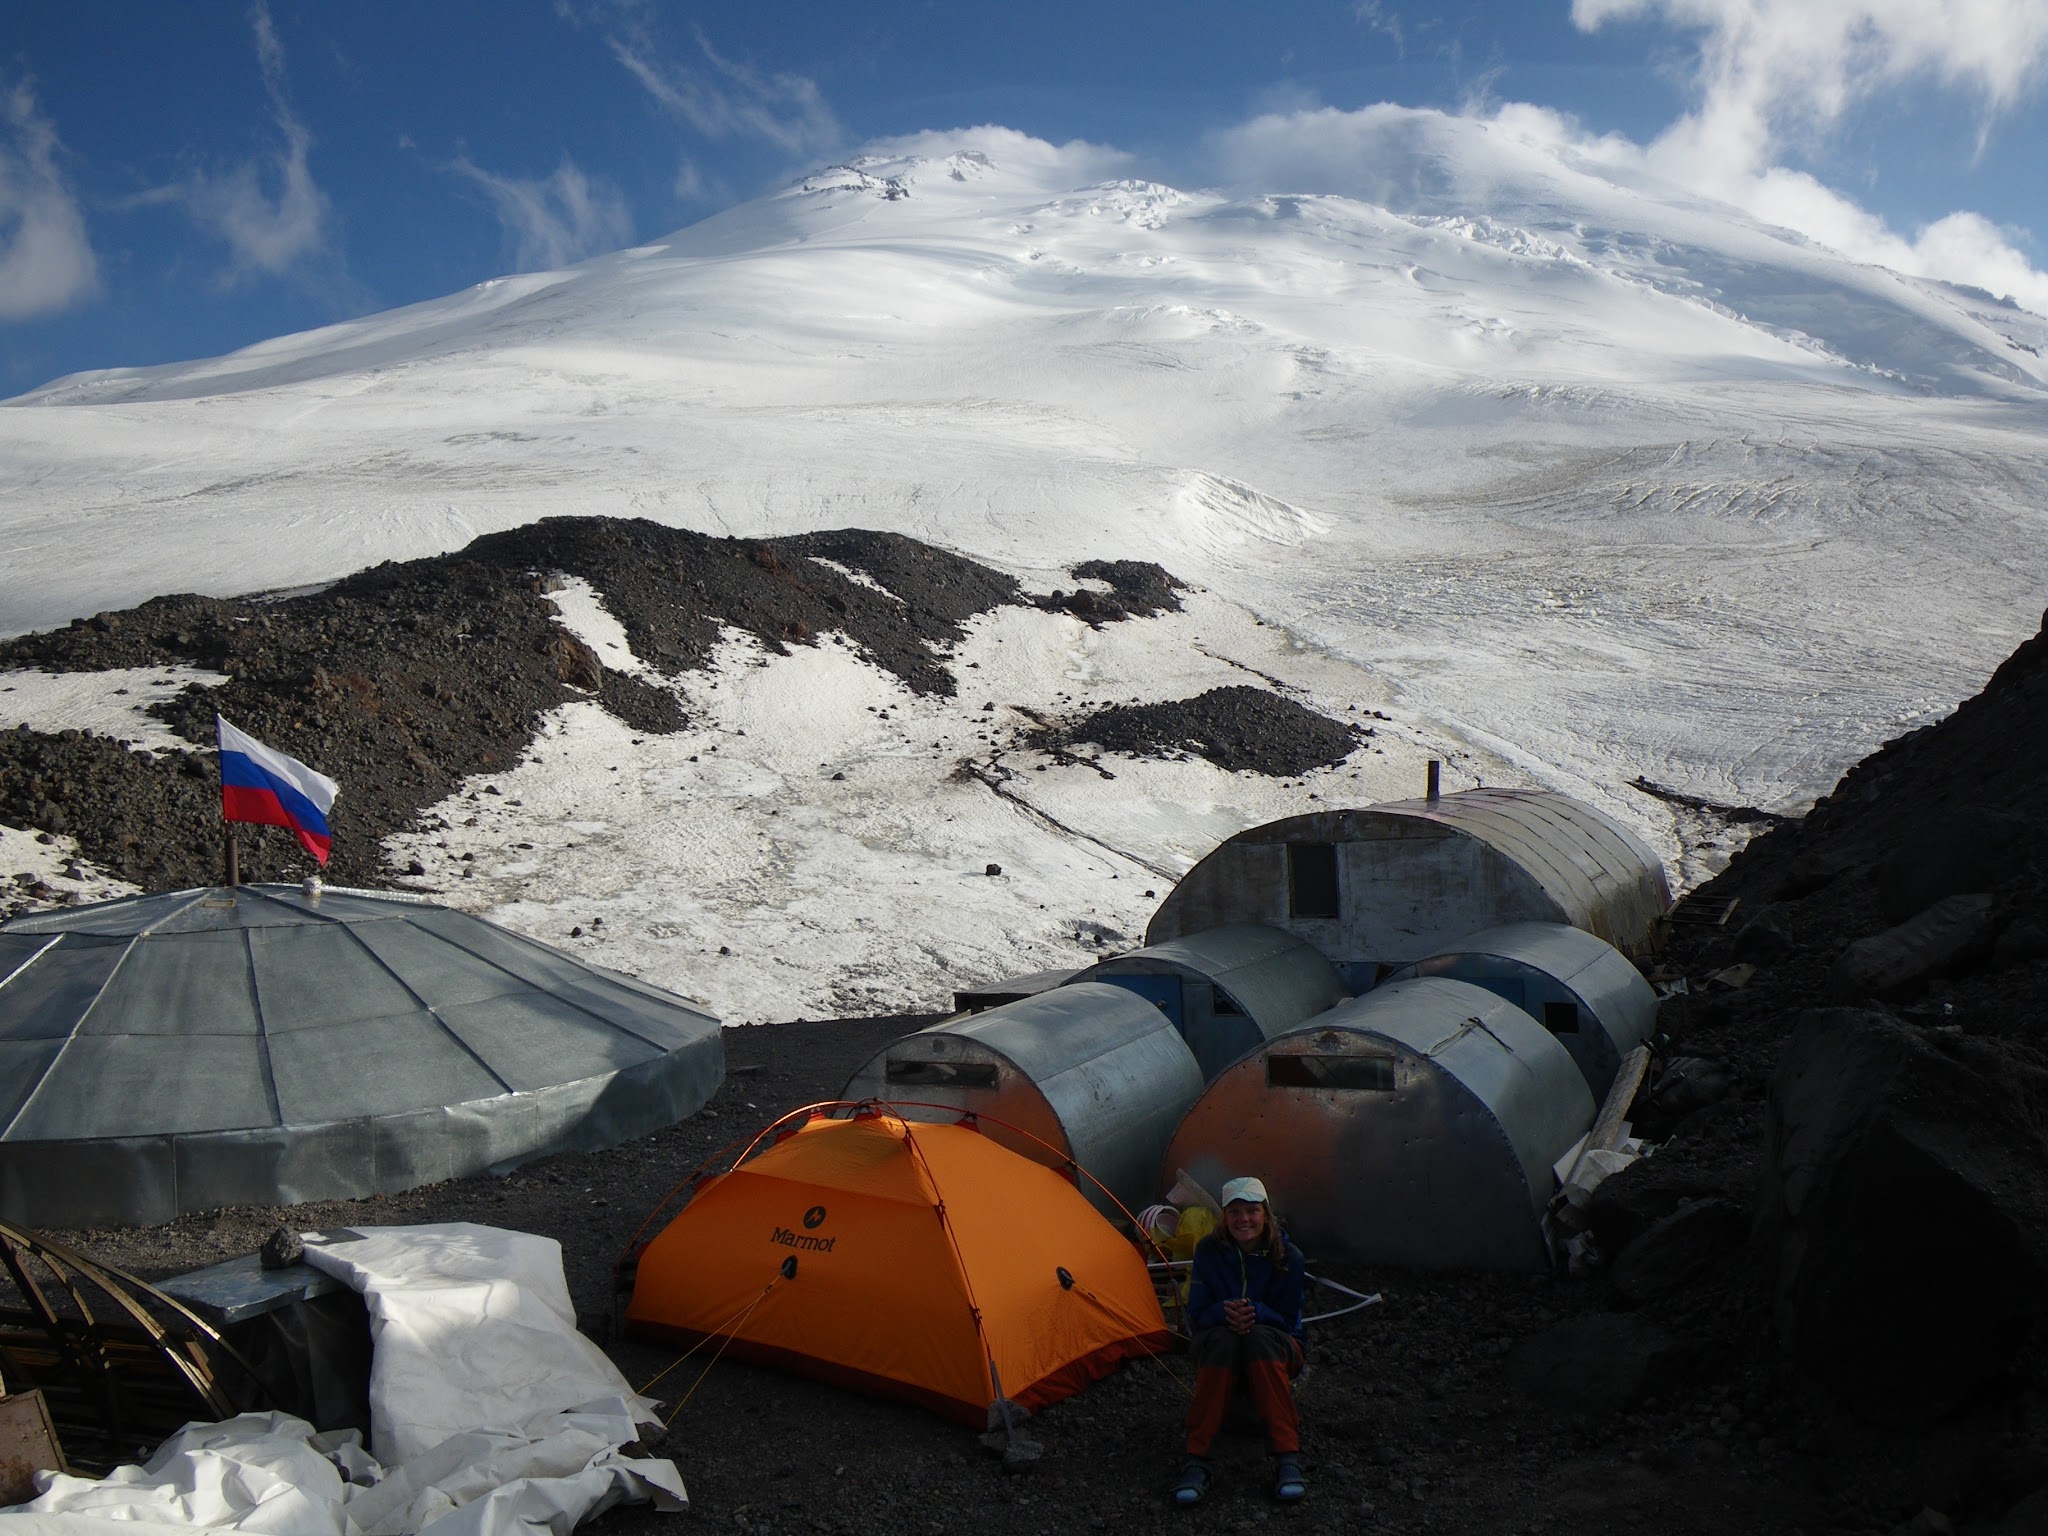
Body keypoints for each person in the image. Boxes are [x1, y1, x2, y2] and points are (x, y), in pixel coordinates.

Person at [1172, 1175, 1307, 1505]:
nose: (1243, 1219)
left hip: (1278, 1344)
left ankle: (1286, 1456)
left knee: (1258, 1338)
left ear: (1265, 1213)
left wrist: (1255, 1312)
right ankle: (1198, 1459)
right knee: (1225, 1340)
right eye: (1235, 1211)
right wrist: (1224, 1312)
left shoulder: (1288, 1256)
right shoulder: (1208, 1251)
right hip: (1219, 1338)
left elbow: (1291, 1322)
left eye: (1251, 1210)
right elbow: (1198, 1314)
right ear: (1224, 1216)